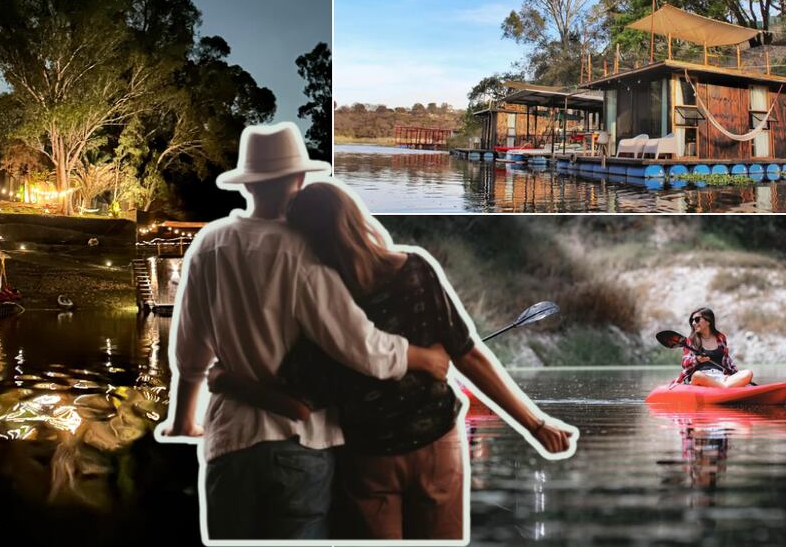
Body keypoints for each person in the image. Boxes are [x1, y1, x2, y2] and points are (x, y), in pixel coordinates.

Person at [209, 181, 578, 541]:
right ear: (354, 218)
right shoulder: (414, 271)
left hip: (370, 461)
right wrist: (535, 425)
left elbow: (299, 404)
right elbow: (469, 356)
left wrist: (228, 381)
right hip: (437, 444)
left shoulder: (323, 306)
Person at [154, 123, 451, 542]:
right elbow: (361, 348)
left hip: (229, 443)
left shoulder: (209, 244)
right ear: (298, 179)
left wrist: (183, 421)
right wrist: (424, 358)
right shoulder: (305, 250)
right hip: (300, 444)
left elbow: (190, 352)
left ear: (248, 184)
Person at [676, 307, 753, 388]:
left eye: (697, 319)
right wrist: (697, 359)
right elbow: (684, 363)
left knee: (748, 373)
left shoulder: (721, 338)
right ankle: (726, 388)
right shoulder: (690, 340)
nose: (693, 323)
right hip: (702, 378)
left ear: (708, 321)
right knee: (697, 375)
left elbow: (727, 360)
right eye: (692, 320)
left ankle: (722, 387)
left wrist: (736, 374)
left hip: (721, 377)